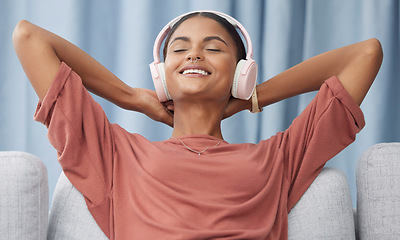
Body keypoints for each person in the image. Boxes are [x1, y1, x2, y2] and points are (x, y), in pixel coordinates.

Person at [13, 10, 382, 240]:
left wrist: (251, 96)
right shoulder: (114, 156)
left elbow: (365, 54)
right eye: (180, 48)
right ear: (160, 76)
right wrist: (129, 97)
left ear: (241, 73)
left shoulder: (279, 159)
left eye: (214, 47)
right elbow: (29, 37)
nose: (194, 54)